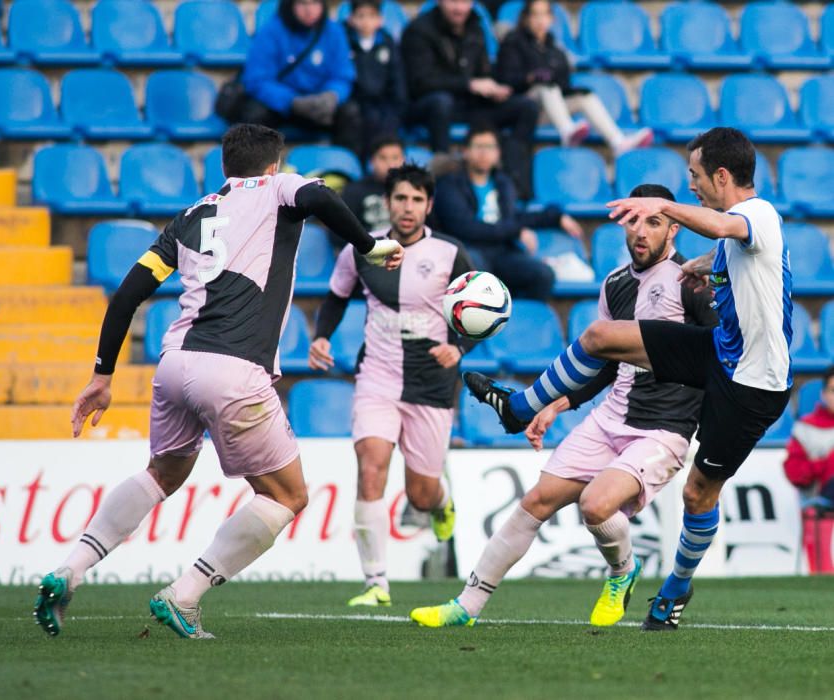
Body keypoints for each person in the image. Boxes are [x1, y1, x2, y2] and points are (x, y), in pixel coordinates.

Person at [32, 124, 403, 640]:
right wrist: (368, 244)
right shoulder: (280, 188)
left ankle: (68, 569)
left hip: (176, 363)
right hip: (233, 368)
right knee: (287, 496)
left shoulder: (189, 216)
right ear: (273, 165)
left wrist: (103, 375)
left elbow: (125, 298)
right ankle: (185, 595)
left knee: (161, 473)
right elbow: (318, 194)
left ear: (226, 168)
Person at [465, 127, 792, 630]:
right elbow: (731, 252)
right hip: (720, 353)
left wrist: (665, 211)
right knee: (600, 337)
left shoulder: (758, 214)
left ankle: (675, 590)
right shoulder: (713, 246)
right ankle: (520, 407)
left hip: (752, 384)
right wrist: (706, 266)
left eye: (695, 178)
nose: (693, 188)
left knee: (698, 494)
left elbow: (723, 226)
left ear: (722, 176)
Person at [410, 184, 717, 628]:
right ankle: (466, 607)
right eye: (634, 220)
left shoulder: (690, 282)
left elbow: (719, 354)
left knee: (595, 505)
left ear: (674, 227)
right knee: (535, 502)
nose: (641, 231)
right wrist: (557, 404)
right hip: (611, 415)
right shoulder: (614, 285)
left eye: (653, 221)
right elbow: (608, 364)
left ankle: (622, 571)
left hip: (662, 429)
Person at [308, 164, 474, 607]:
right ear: (387, 202)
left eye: (417, 200)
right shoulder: (361, 248)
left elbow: (482, 307)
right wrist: (321, 335)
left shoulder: (448, 253)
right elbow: (336, 296)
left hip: (431, 380)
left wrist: (459, 348)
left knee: (420, 493)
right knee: (371, 463)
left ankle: (441, 503)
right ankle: (375, 582)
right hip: (377, 374)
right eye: (400, 198)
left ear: (429, 205)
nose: (408, 207)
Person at [400, 0, 538, 198]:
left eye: (464, 2)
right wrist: (468, 84)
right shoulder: (418, 30)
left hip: (470, 105)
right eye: (453, 2)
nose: (459, 8)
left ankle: (514, 182)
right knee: (441, 102)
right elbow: (420, 82)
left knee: (526, 107)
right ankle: (444, 178)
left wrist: (495, 88)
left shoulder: (476, 27)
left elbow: (483, 73)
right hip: (428, 107)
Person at [432, 125, 583, 301]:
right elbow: (464, 227)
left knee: (543, 275)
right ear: (465, 151)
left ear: (497, 153)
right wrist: (515, 231)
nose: (484, 153)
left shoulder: (503, 183)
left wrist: (555, 217)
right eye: (478, 146)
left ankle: (520, 322)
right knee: (478, 274)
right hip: (469, 249)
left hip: (502, 251)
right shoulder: (449, 185)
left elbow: (515, 218)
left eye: (490, 147)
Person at [496, 0, 652, 154]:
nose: (539, 20)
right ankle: (566, 131)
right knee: (545, 86)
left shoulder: (555, 49)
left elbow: (564, 85)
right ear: (526, 18)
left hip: (549, 110)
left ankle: (618, 142)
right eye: (535, 14)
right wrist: (529, 78)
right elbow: (505, 80)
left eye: (544, 14)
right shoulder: (513, 42)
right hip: (523, 109)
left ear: (551, 19)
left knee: (585, 96)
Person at [242, 0, 362, 155]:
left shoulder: (334, 32)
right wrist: (291, 101)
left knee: (351, 113)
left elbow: (343, 75)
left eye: (315, 3)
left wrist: (332, 95)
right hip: (283, 107)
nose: (309, 10)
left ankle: (344, 170)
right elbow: (256, 79)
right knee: (255, 116)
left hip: (320, 105)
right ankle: (256, 172)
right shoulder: (271, 31)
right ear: (290, 5)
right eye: (303, 4)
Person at [344, 0, 407, 156]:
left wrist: (398, 105)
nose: (366, 22)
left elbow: (397, 78)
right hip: (358, 103)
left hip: (383, 103)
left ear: (380, 20)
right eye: (361, 16)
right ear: (351, 19)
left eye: (372, 16)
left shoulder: (388, 42)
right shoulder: (344, 41)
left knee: (389, 119)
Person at [785, 367, 834, 505]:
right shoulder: (805, 428)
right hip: (821, 507)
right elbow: (795, 473)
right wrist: (827, 464)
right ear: (824, 394)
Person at [342, 135, 405, 233]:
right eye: (383, 158)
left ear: (404, 160)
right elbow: (342, 232)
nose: (390, 164)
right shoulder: (354, 191)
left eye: (395, 157)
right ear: (372, 161)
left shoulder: (414, 190)